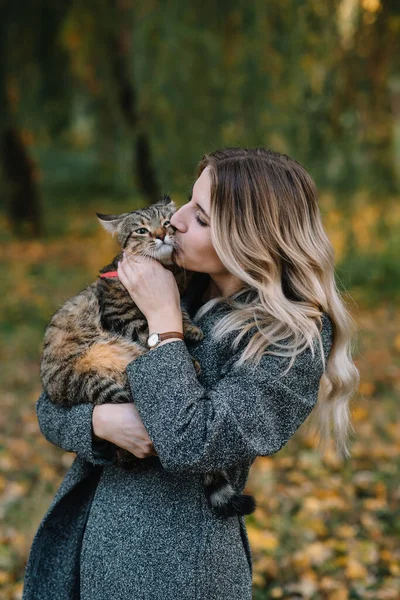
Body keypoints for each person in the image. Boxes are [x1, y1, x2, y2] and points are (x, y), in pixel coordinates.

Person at [22, 147, 359, 600]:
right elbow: (52, 401)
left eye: (201, 218)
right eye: (187, 202)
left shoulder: (289, 339)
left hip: (179, 572)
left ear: (249, 240)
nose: (176, 221)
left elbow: (191, 442)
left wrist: (164, 323)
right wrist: (98, 423)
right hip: (91, 547)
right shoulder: (177, 282)